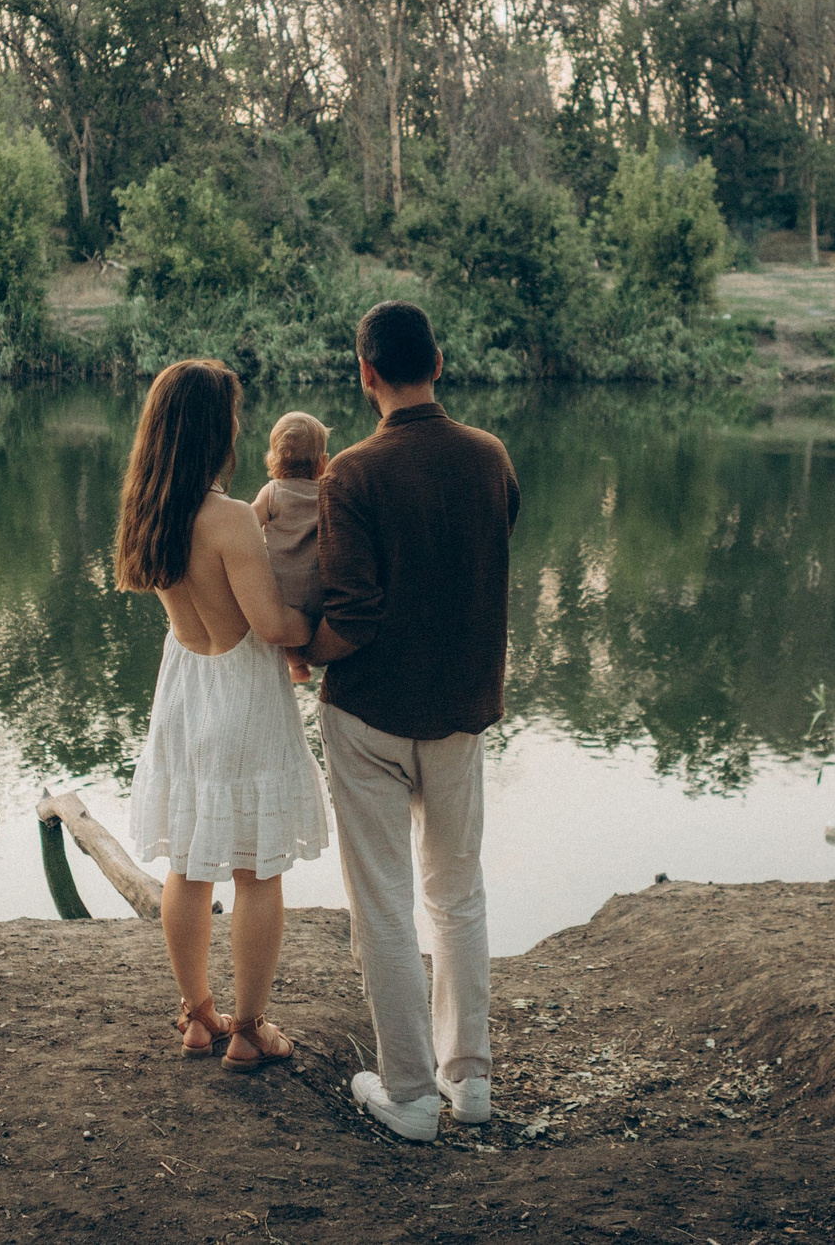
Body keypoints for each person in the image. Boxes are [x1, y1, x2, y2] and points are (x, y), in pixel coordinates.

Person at [304, 301, 519, 1142]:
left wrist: (301, 649)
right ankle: (470, 1083)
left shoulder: (351, 473)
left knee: (385, 903)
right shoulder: (491, 458)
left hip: (371, 714)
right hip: (460, 713)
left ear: (366, 375)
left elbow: (350, 615)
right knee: (457, 893)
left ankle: (410, 1095)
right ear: (440, 357)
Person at [118, 359, 328, 1070]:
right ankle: (248, 1026)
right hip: (240, 692)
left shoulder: (150, 512)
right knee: (254, 868)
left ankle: (197, 1015)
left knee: (188, 860)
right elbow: (273, 625)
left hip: (184, 684)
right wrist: (327, 618)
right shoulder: (231, 519)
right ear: (218, 429)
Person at [252, 411, 330, 686]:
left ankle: (297, 666)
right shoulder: (326, 494)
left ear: (273, 461)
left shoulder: (272, 492)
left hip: (282, 593)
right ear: (323, 464)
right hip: (320, 591)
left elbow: (248, 526)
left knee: (287, 638)